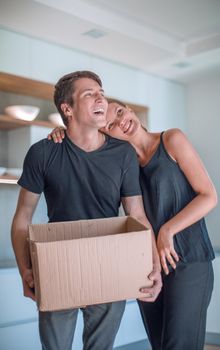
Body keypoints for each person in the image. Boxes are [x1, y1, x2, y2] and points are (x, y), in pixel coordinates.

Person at [49, 97, 218, 350]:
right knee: (160, 344)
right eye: (111, 124)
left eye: (119, 111)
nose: (122, 121)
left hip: (190, 261)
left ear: (128, 109)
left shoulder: (171, 140)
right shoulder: (121, 164)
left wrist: (167, 230)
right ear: (104, 134)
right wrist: (64, 134)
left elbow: (209, 195)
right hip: (149, 266)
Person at [11, 72, 162, 350]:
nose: (100, 97)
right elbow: (22, 218)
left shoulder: (123, 154)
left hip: (110, 266)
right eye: (89, 93)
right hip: (56, 266)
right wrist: (25, 270)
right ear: (67, 109)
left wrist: (153, 265)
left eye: (101, 92)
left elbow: (137, 216)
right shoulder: (42, 153)